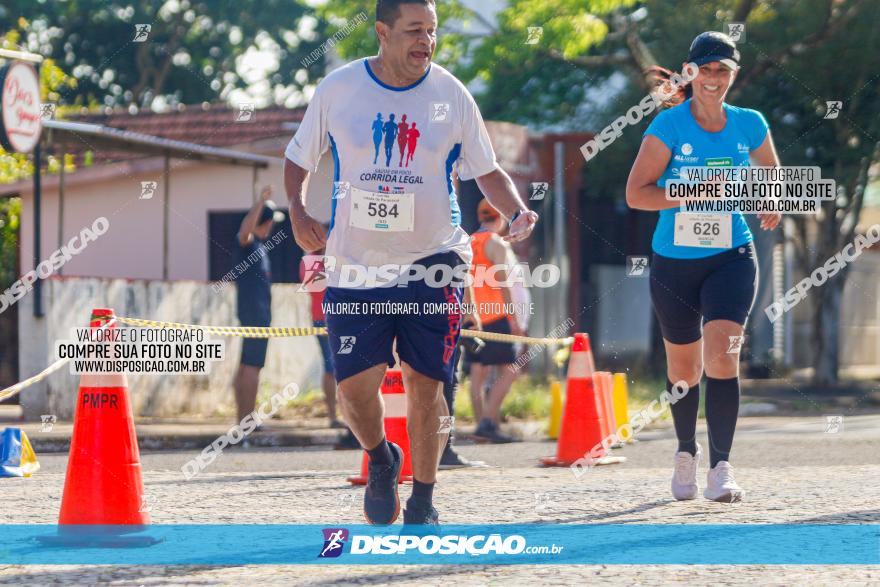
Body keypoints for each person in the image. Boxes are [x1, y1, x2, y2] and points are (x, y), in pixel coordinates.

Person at [283, 0, 538, 526]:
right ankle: (381, 458)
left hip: (433, 260)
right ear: (381, 32)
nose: (426, 41)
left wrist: (515, 209)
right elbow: (297, 157)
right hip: (356, 264)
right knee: (354, 389)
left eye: (432, 31)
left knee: (427, 382)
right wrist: (298, 210)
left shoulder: (450, 94)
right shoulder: (339, 90)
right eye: (414, 30)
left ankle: (423, 498)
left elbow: (486, 171)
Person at [626, 31, 781, 503]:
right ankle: (685, 451)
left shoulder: (750, 123)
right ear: (691, 73)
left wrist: (769, 199)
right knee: (684, 370)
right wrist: (691, 193)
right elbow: (637, 193)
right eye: (706, 69)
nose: (715, 79)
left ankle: (722, 468)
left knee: (723, 357)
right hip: (675, 262)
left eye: (723, 70)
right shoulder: (668, 128)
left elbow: (771, 170)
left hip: (733, 256)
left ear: (733, 75)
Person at [466, 199, 524, 443]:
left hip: (473, 317)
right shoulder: (495, 242)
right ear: (499, 219)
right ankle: (489, 422)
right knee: (511, 369)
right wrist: (513, 318)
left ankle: (482, 424)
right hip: (495, 315)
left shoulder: (469, 241)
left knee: (477, 372)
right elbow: (503, 284)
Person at [233, 186, 278, 424]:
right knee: (251, 367)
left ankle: (242, 419)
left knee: (245, 366)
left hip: (256, 315)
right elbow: (243, 231)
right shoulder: (249, 244)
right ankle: (246, 422)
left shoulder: (260, 248)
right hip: (254, 316)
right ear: (266, 222)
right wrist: (260, 202)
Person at [299, 248, 344, 429]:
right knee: (330, 367)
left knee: (345, 367)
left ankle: (347, 415)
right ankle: (333, 416)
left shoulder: (337, 257)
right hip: (322, 320)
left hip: (343, 317)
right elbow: (315, 286)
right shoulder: (309, 260)